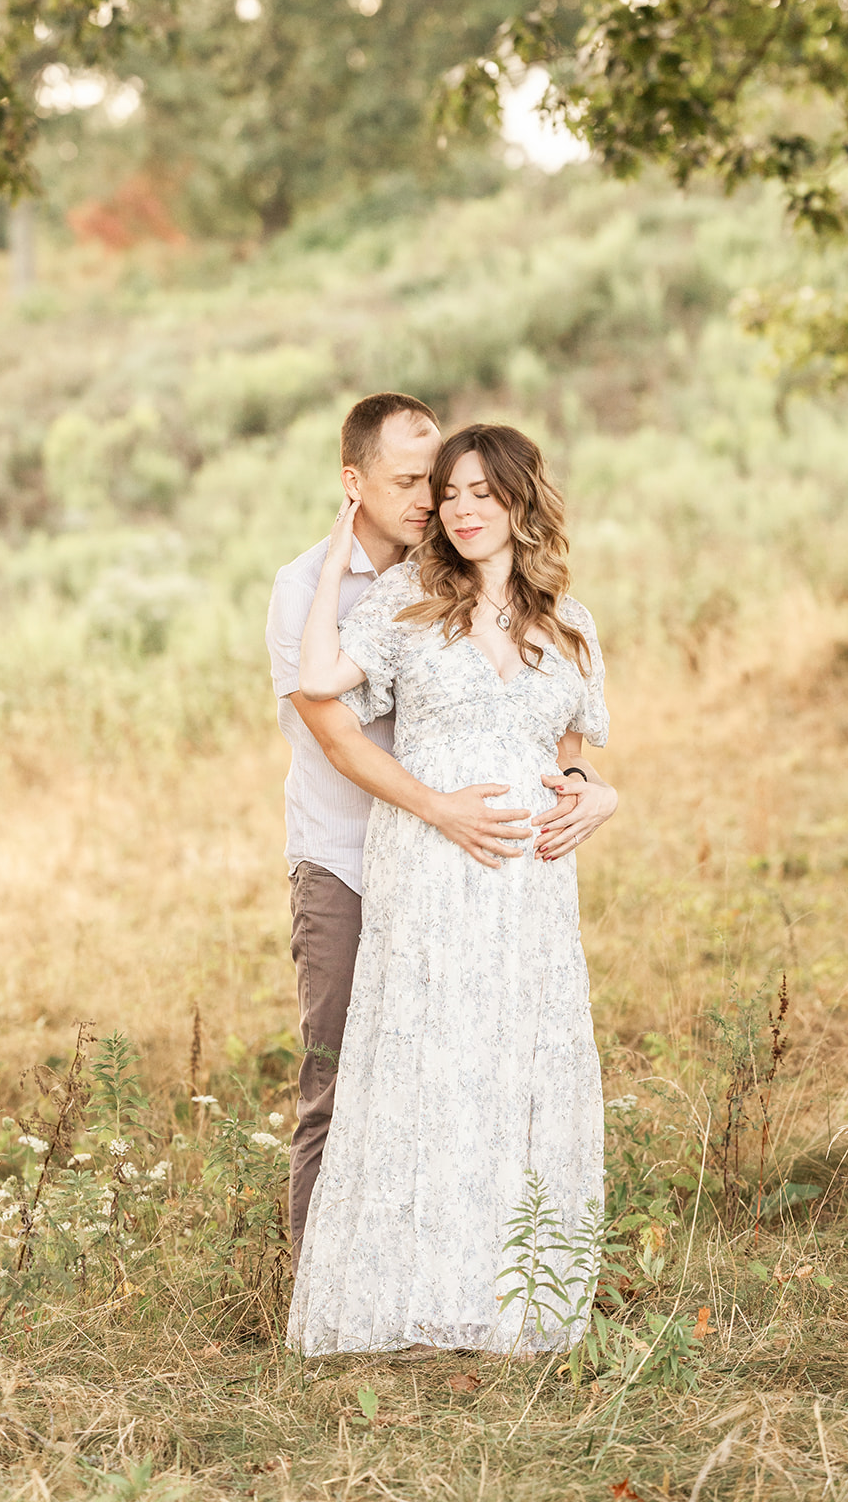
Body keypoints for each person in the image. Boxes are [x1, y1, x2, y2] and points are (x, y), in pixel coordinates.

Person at [288, 422, 617, 1357]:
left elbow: (571, 764)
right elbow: (317, 683)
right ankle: (413, 1290)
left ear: (520, 499)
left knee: (513, 1061)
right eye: (452, 494)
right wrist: (339, 541)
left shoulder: (570, 622)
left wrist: (602, 799)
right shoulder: (405, 599)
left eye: (483, 492)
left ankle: (513, 1293)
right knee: (432, 1061)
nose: (464, 509)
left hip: (531, 884)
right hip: (431, 865)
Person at [265, 393, 543, 1274]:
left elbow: (540, 704)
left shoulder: (456, 569)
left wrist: (583, 786)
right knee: (338, 1081)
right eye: (406, 480)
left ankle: (437, 1271)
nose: (430, 498)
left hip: (448, 869)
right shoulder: (304, 589)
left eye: (439, 478)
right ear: (352, 483)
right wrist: (442, 809)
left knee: (449, 1073)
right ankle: (319, 1289)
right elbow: (337, 736)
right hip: (348, 865)